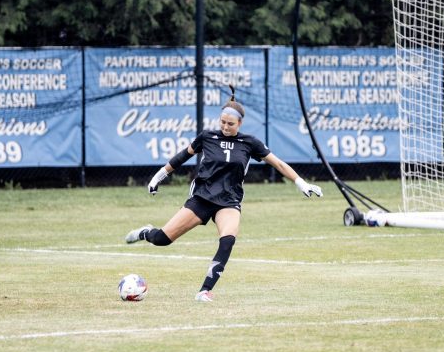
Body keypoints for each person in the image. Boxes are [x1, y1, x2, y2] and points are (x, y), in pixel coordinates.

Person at [125, 86, 323, 302]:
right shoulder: (207, 137)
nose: (225, 127)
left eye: (230, 124)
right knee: (162, 239)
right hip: (202, 198)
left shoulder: (250, 143)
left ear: (240, 124)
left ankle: (204, 291)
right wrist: (158, 176)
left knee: (227, 240)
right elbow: (182, 156)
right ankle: (145, 232)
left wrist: (301, 183)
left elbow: (278, 163)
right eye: (222, 122)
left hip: (229, 201)